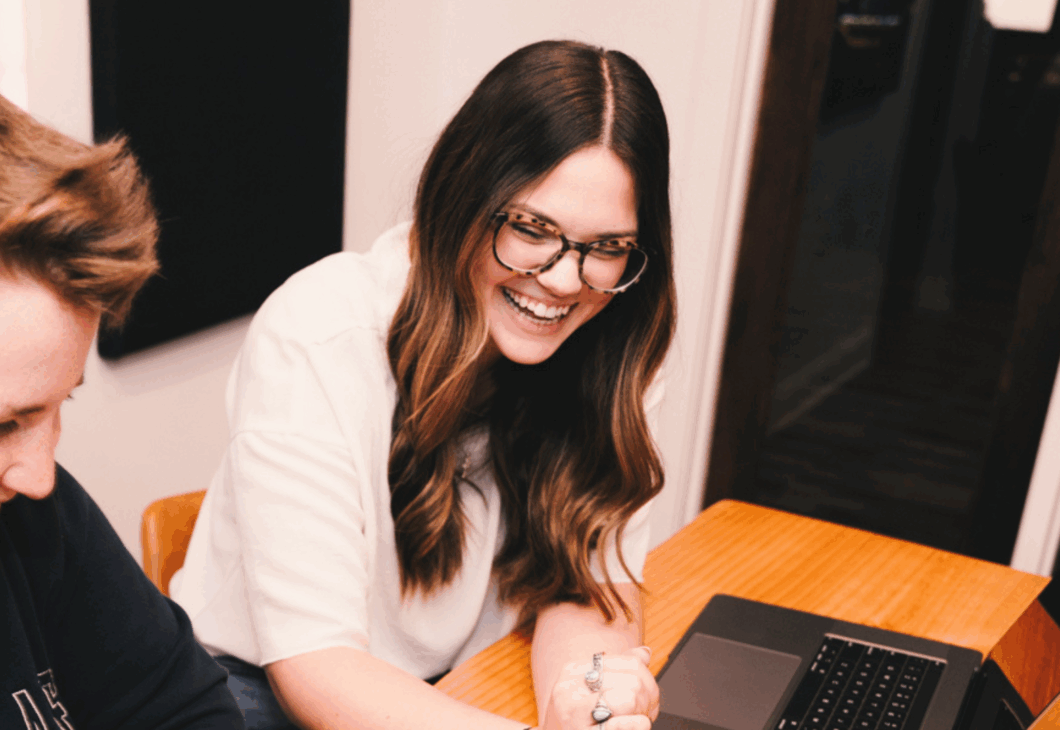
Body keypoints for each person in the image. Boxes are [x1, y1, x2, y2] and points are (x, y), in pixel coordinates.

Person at [173, 39, 675, 730]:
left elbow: (583, 590)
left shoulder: (611, 343)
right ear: (463, 196)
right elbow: (318, 671)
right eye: (532, 228)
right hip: (269, 695)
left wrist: (594, 703)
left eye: (607, 247)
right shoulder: (318, 333)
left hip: (448, 692)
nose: (564, 281)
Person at [0, 94, 245, 729]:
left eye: (57, 406)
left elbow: (186, 707)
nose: (38, 476)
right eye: (5, 424)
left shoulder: (35, 521)